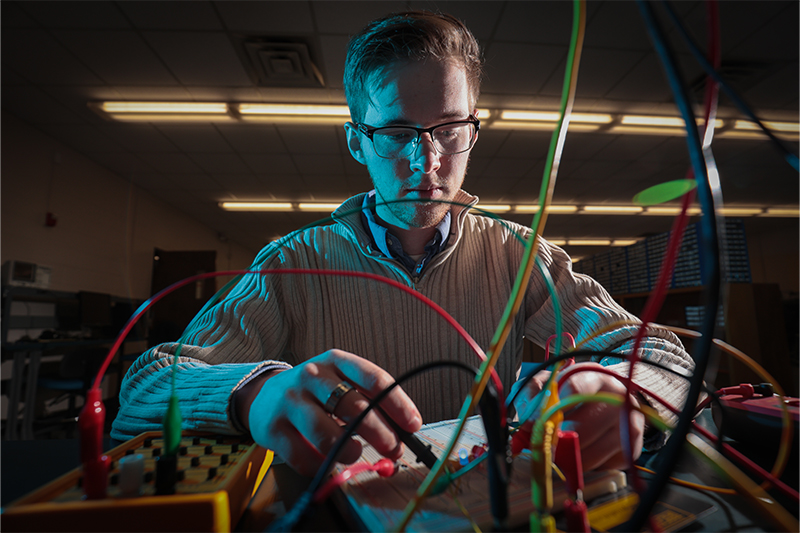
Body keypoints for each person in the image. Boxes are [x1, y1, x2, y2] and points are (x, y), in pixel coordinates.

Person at [112, 11, 693, 478]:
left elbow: (672, 363)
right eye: (395, 133)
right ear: (356, 143)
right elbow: (142, 389)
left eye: (449, 130)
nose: (428, 162)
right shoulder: (291, 264)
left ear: (472, 129)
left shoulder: (521, 255)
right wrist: (251, 395)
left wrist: (611, 385)